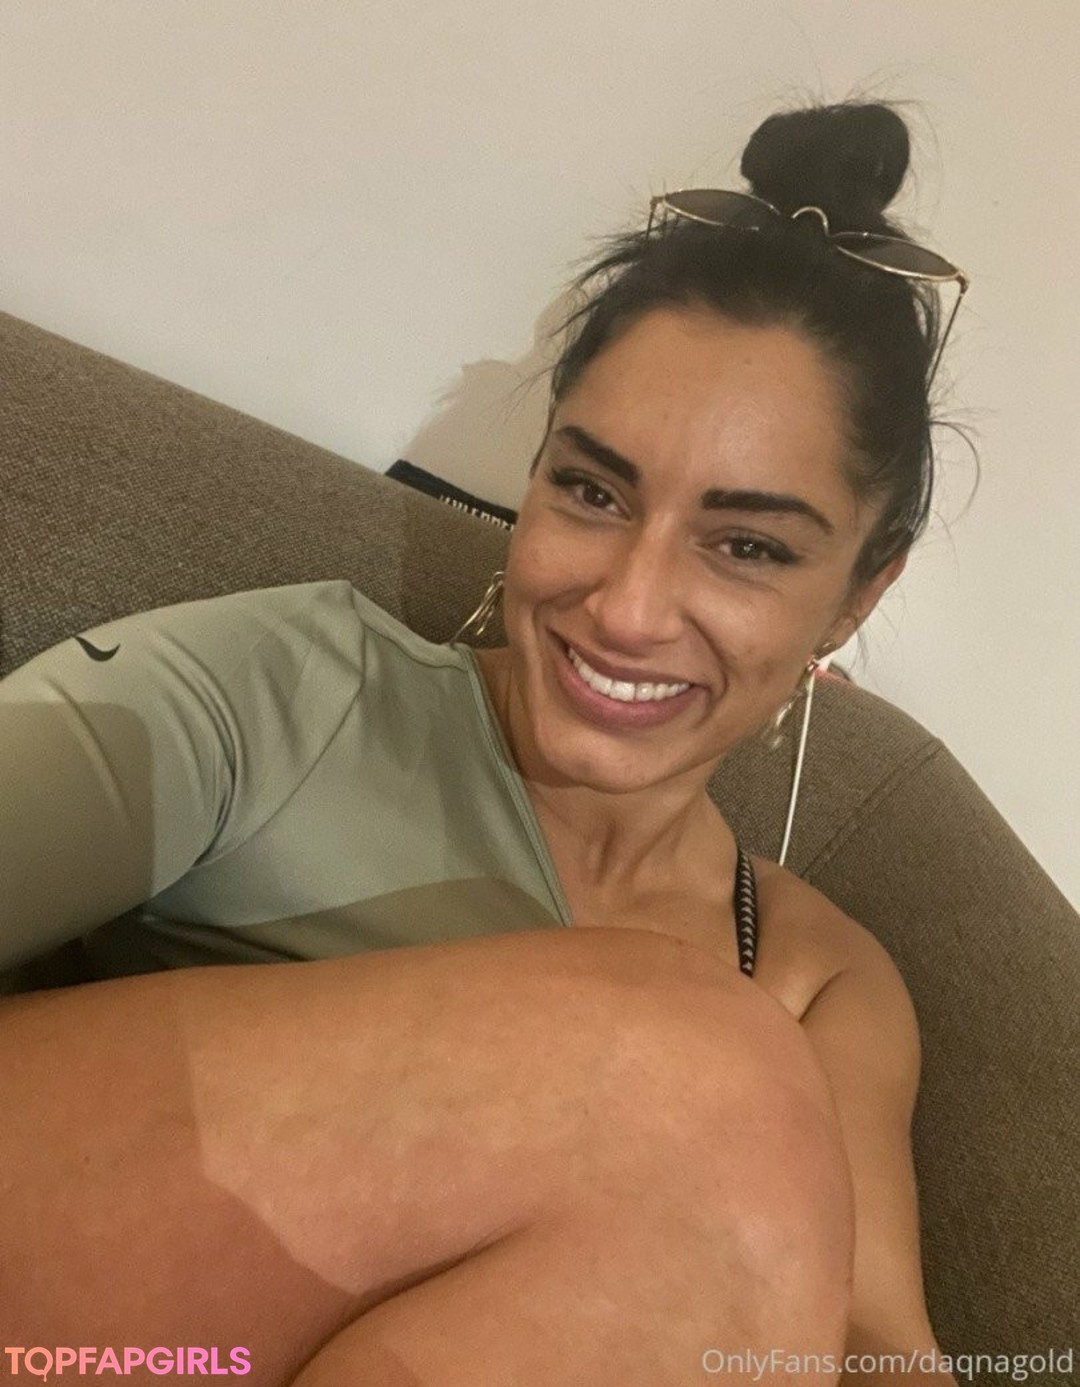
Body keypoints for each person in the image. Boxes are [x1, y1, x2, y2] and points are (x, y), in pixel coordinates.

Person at [0, 102, 968, 1385]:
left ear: (857, 595)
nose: (627, 606)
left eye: (747, 545)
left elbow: (874, 1350)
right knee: (708, 1081)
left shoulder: (816, 979)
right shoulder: (292, 692)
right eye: (591, 489)